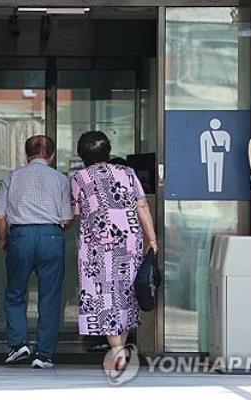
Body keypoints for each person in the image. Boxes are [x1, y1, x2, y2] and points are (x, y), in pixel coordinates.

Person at [71, 131, 157, 370]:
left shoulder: (80, 177)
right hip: (129, 242)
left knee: (104, 295)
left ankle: (117, 350)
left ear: (82, 155)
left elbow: (76, 213)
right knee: (126, 294)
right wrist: (152, 239)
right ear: (108, 152)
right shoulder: (127, 173)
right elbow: (142, 205)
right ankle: (121, 349)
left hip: (96, 245)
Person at [0, 135, 73, 369]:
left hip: (20, 236)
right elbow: (66, 219)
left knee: (14, 293)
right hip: (51, 236)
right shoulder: (61, 179)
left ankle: (18, 344)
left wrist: (3, 239)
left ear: (26, 154)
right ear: (51, 155)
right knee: (50, 296)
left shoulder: (12, 176)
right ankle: (44, 355)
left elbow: (0, 216)